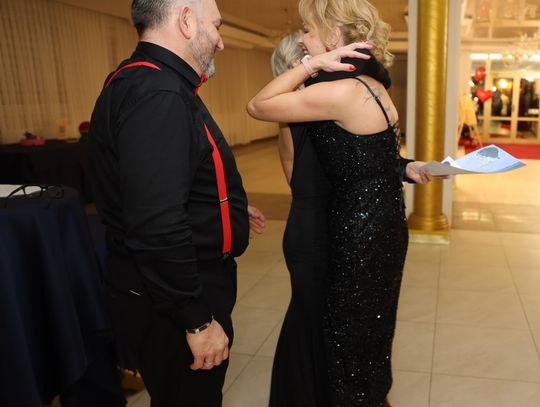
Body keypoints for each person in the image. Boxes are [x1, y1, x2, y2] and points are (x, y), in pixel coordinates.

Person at [247, 0, 438, 405]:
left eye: (308, 30)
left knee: (347, 340)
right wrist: (408, 167)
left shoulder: (340, 91)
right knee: (367, 334)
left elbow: (257, 106)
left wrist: (310, 66)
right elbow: (372, 160)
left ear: (333, 36)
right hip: (384, 225)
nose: (302, 40)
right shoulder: (372, 86)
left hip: (358, 233)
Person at [88, 0, 265, 406]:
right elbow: (157, 223)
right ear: (186, 20)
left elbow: (156, 188)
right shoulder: (159, 94)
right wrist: (196, 319)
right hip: (174, 297)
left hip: (159, 287)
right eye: (217, 26)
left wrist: (225, 209)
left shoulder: (145, 81)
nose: (220, 42)